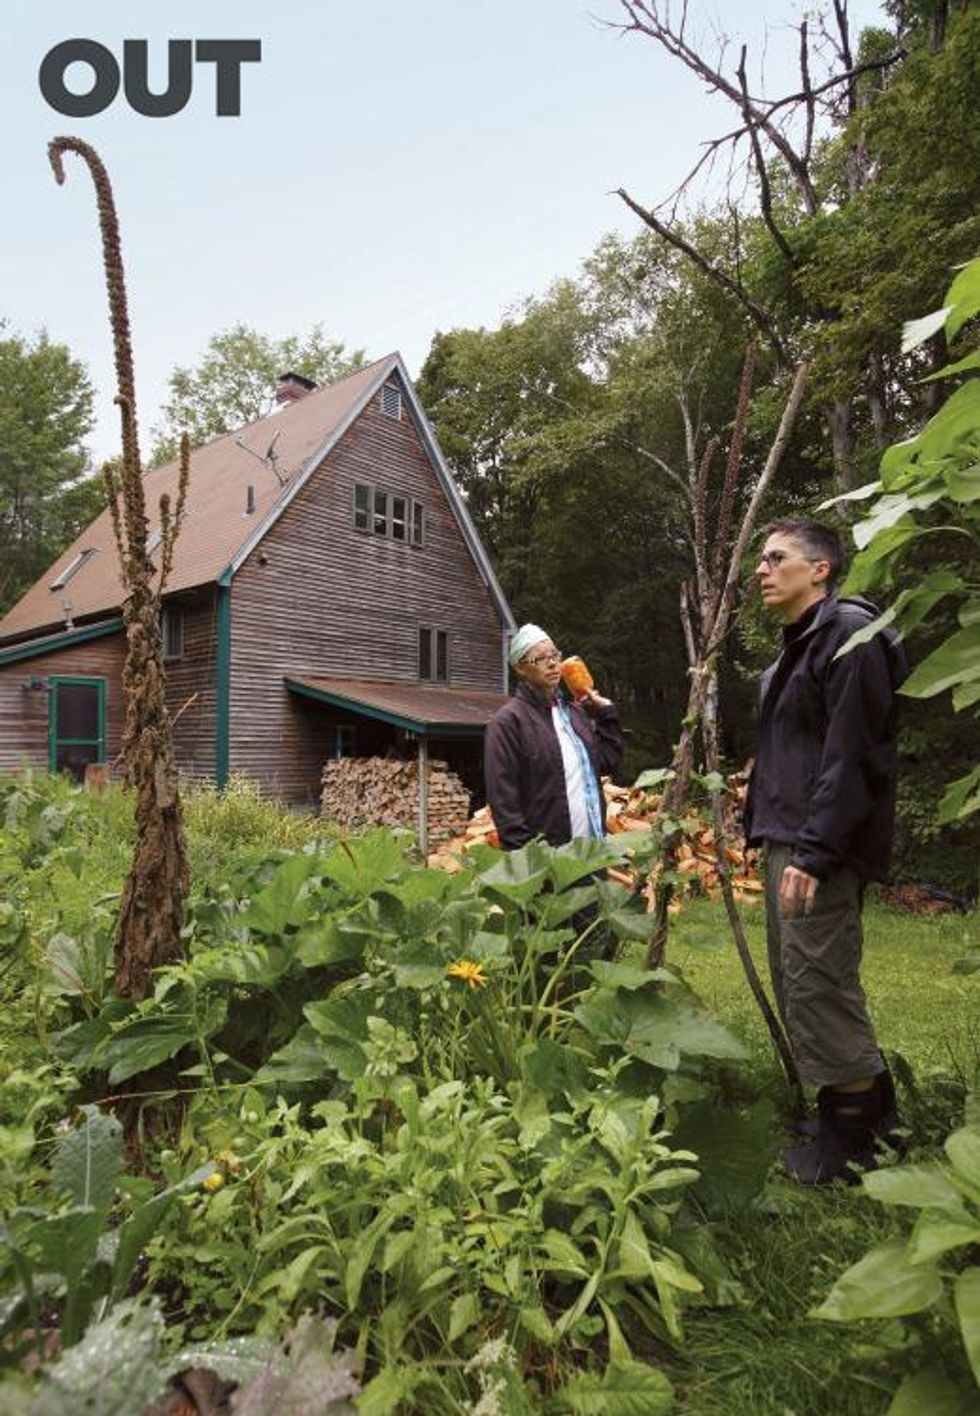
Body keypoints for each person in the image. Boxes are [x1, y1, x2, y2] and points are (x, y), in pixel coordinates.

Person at [744, 518, 908, 1186]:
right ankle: (871, 1117)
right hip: (790, 836)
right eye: (760, 559)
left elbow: (852, 756)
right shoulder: (798, 648)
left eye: (776, 557)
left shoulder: (850, 637)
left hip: (820, 847)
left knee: (820, 986)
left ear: (821, 569)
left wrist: (814, 853)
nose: (761, 569)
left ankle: (849, 1149)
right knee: (802, 982)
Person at [484, 624, 624, 851]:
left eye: (554, 655)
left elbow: (607, 762)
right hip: (549, 862)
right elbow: (504, 800)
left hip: (592, 853)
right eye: (540, 659)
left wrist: (606, 713)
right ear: (520, 667)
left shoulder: (574, 713)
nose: (552, 663)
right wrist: (528, 860)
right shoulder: (508, 723)